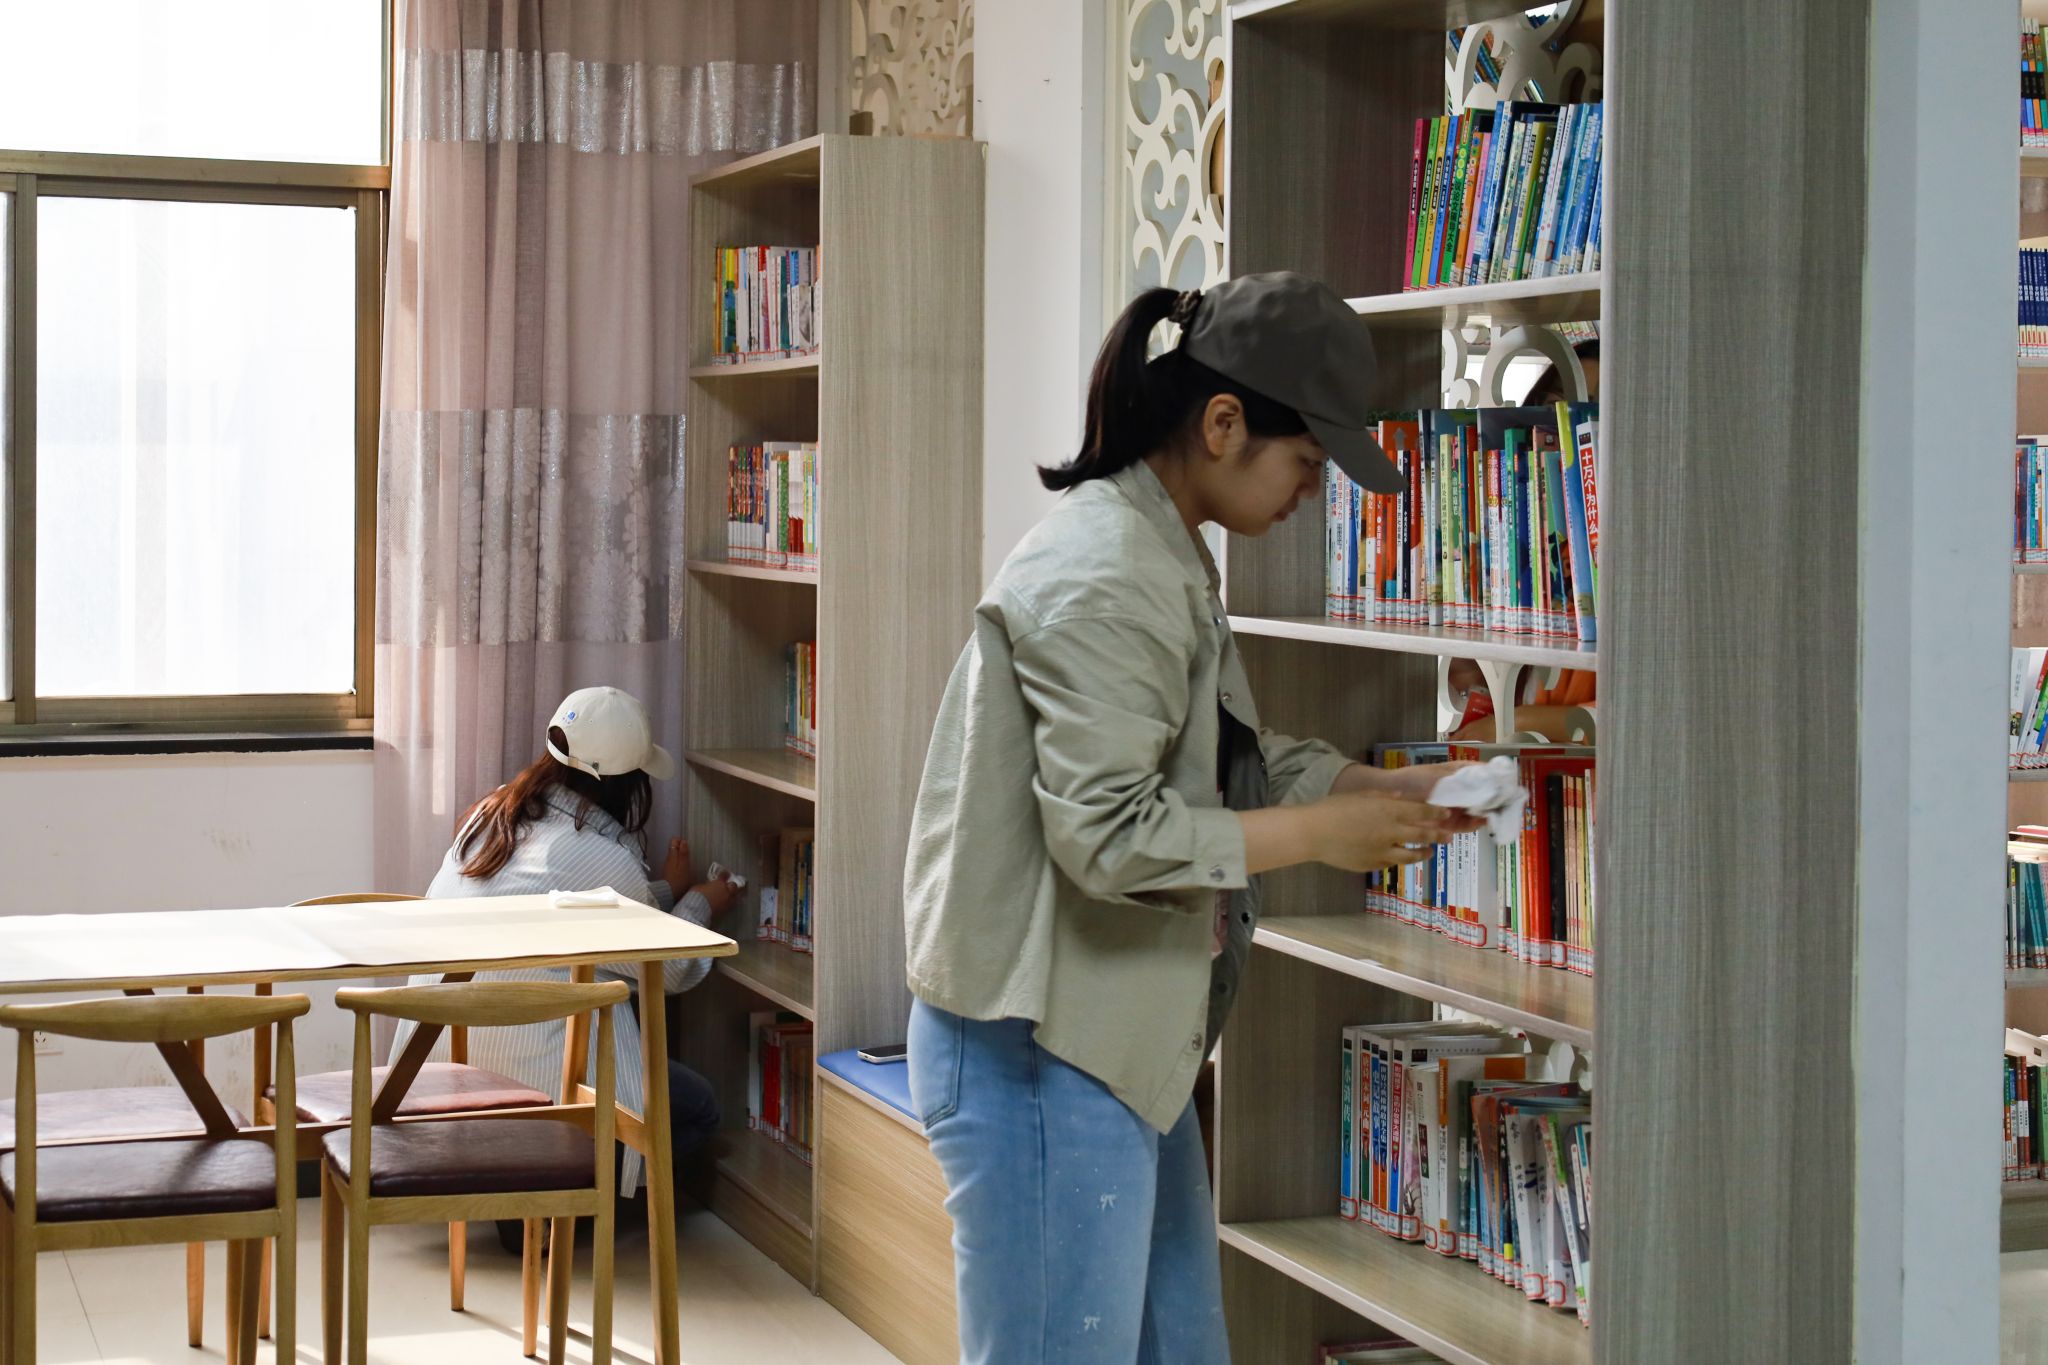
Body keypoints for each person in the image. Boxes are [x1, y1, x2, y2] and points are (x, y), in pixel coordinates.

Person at [901, 273, 1483, 1363]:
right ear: (1222, 425)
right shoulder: (1108, 571)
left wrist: (1368, 787)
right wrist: (1317, 837)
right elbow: (1110, 834)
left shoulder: (1159, 546)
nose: (1311, 490)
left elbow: (1213, 758)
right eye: (1305, 460)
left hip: (1116, 1035)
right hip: (1042, 1042)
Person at [393, 685, 740, 1254]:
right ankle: (546, 1199)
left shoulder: (491, 816)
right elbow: (672, 969)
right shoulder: (604, 857)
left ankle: (514, 1185)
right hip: (533, 1089)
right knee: (698, 1108)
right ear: (630, 785)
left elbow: (563, 906)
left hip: (435, 1080)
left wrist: (661, 892)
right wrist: (701, 902)